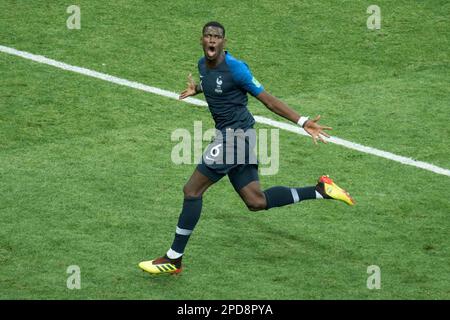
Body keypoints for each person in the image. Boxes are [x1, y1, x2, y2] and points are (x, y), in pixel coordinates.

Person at [139, 21, 354, 275]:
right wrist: (196, 89)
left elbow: (269, 100)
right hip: (234, 138)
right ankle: (321, 190)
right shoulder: (201, 65)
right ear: (201, 40)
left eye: (217, 37)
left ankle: (174, 258)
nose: (212, 40)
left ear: (223, 43)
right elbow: (211, 82)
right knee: (255, 201)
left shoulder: (237, 69)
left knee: (192, 191)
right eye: (208, 36)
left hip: (235, 139)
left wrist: (303, 121)